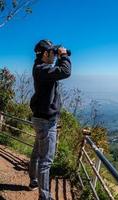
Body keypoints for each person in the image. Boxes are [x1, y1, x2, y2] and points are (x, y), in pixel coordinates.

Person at [28, 39, 71, 200]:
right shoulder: (42, 69)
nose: (54, 56)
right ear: (45, 53)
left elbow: (60, 70)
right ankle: (44, 196)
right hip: (46, 121)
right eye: (52, 53)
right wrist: (64, 56)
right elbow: (65, 72)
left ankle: (33, 180)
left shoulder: (40, 68)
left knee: (37, 153)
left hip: (39, 118)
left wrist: (61, 56)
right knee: (46, 160)